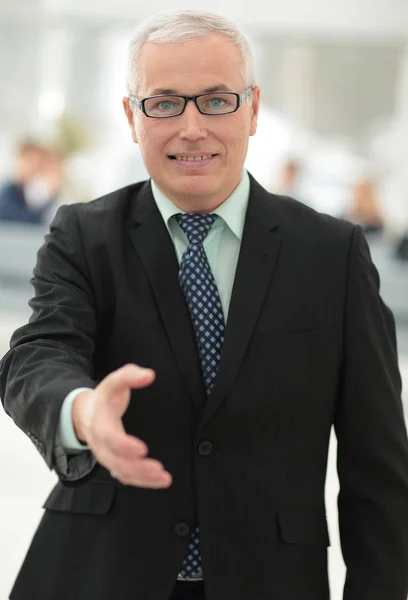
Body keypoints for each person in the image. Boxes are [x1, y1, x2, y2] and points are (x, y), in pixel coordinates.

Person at [1, 10, 408, 600]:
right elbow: (39, 354)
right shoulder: (84, 235)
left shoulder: (332, 254)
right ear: (131, 117)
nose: (191, 127)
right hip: (97, 575)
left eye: (216, 101)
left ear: (253, 108)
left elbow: (380, 472)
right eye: (164, 103)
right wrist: (83, 412)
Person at [0, 141, 60, 225]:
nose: (31, 168)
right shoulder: (8, 192)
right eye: (28, 161)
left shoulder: (40, 195)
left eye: (35, 163)